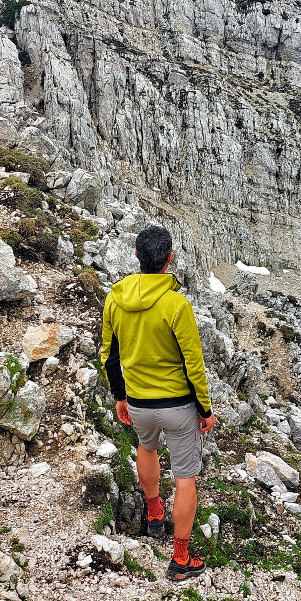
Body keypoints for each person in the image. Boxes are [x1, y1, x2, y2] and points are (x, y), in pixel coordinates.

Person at [100, 225, 216, 582]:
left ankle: (154, 513)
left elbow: (109, 355)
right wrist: (205, 408)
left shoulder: (115, 299)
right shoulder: (176, 305)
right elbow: (192, 363)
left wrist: (120, 396)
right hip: (178, 407)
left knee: (146, 449)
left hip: (137, 401)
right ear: (169, 260)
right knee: (185, 478)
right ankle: (180, 559)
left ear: (136, 256)